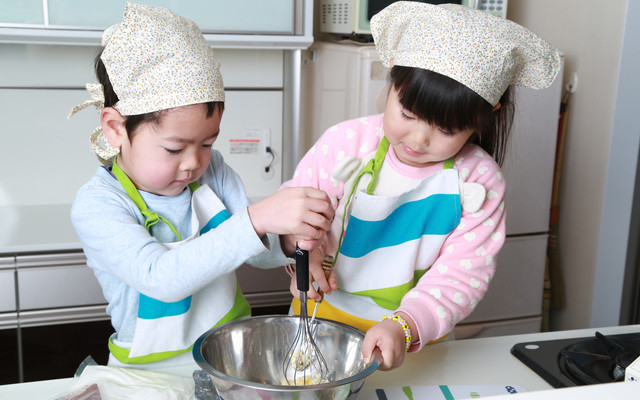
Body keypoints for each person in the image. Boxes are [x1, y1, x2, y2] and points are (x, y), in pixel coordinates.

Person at [283, 2, 561, 370]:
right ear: (392, 80)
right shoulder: (344, 144)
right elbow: (293, 217)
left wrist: (406, 326)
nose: (417, 139)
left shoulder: (478, 181)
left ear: (483, 118)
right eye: (407, 114)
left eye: (445, 129)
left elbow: (464, 273)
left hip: (414, 337)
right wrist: (304, 251)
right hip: (320, 316)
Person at [68, 2, 333, 369]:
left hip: (229, 350)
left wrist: (290, 240)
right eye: (175, 148)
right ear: (116, 128)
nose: (194, 162)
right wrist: (258, 218)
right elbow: (161, 278)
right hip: (151, 371)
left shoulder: (212, 172)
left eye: (207, 144)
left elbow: (254, 250)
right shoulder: (99, 205)